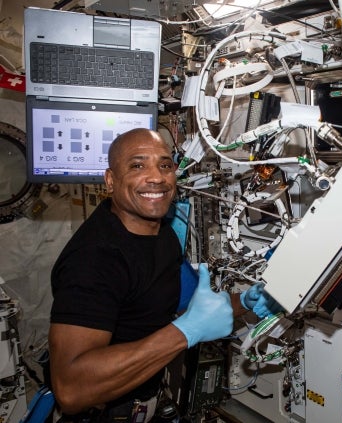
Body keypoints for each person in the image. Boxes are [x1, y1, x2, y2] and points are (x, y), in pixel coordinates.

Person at [48, 128, 281, 422]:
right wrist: (183, 333)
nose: (156, 177)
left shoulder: (161, 235)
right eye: (137, 165)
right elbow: (71, 389)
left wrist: (245, 301)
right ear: (110, 181)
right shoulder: (96, 258)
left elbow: (191, 306)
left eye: (165, 165)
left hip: (146, 403)